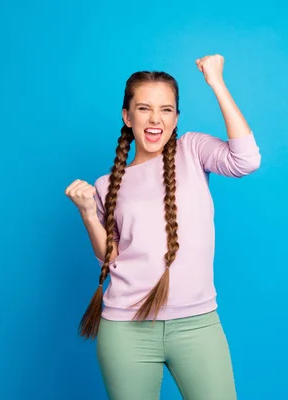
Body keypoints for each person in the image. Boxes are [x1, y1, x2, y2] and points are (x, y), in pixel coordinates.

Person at [64, 54, 261, 400]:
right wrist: (87, 213)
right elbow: (109, 258)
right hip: (126, 328)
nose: (155, 119)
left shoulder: (193, 150)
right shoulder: (107, 184)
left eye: (166, 109)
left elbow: (246, 159)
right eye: (143, 108)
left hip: (197, 324)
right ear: (127, 116)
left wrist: (216, 81)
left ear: (176, 117)